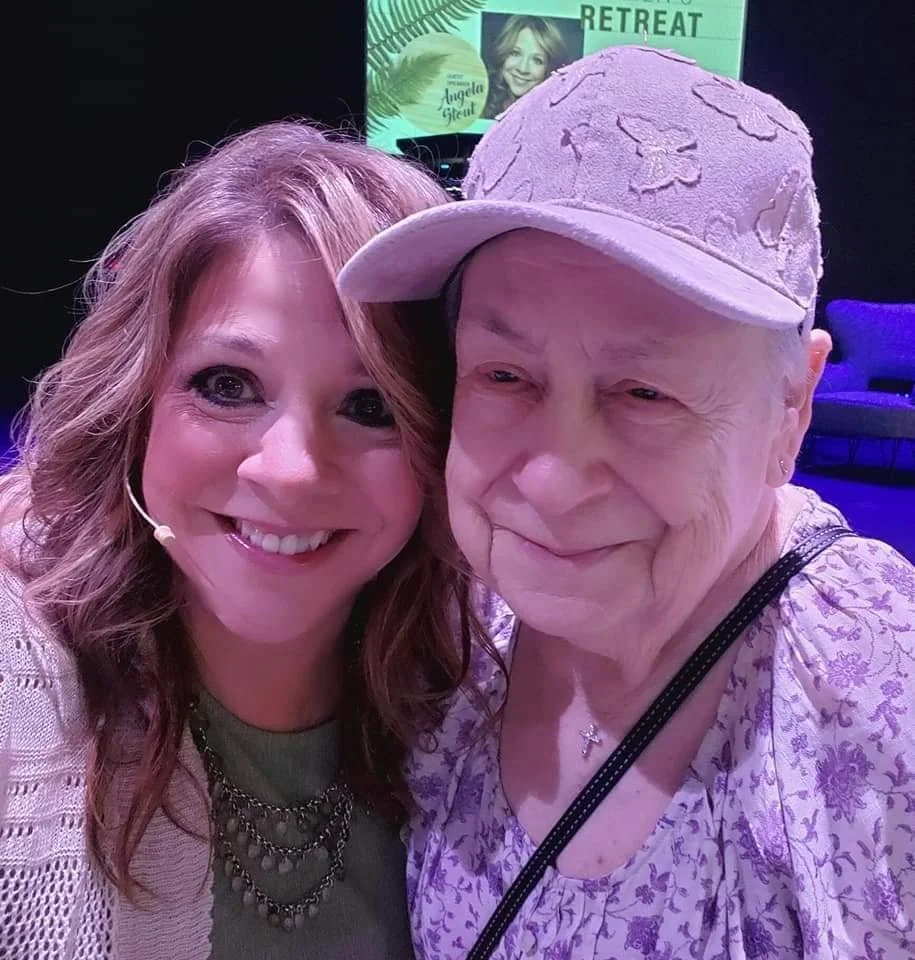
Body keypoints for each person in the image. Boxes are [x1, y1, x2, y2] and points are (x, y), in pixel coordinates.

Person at [339, 45, 915, 958]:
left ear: (790, 408)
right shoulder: (441, 627)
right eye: (503, 374)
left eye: (645, 393)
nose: (554, 482)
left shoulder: (874, 692)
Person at [0, 121, 478, 959]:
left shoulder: (479, 697)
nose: (290, 471)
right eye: (227, 386)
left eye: (371, 407)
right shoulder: (20, 688)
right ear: (135, 404)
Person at [482, 15, 570, 119]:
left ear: (549, 68)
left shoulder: (555, 115)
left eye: (537, 60)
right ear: (502, 53)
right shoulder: (480, 99)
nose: (522, 69)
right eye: (515, 53)